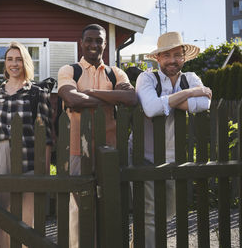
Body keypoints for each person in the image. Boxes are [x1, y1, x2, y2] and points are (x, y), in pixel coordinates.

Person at [57, 23, 137, 248]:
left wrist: (90, 93)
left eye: (98, 40)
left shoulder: (116, 72)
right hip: (76, 148)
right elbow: (71, 99)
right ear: (81, 43)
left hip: (111, 150)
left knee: (110, 204)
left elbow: (131, 99)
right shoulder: (70, 70)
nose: (94, 44)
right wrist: (112, 97)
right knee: (78, 206)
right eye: (89, 40)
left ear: (105, 44)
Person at [132, 31, 212, 247]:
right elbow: (150, 108)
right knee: (149, 214)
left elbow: (205, 104)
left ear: (184, 57)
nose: (172, 60)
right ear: (157, 58)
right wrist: (187, 94)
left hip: (173, 157)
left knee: (168, 212)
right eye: (166, 55)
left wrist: (168, 101)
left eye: (177, 55)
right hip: (144, 155)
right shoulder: (147, 77)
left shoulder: (191, 78)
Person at [0, 41, 52, 248]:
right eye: (9, 59)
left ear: (26, 62)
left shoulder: (37, 94)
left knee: (25, 220)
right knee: (1, 216)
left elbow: (47, 137)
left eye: (18, 59)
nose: (14, 64)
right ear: (4, 63)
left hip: (28, 158)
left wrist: (44, 171)